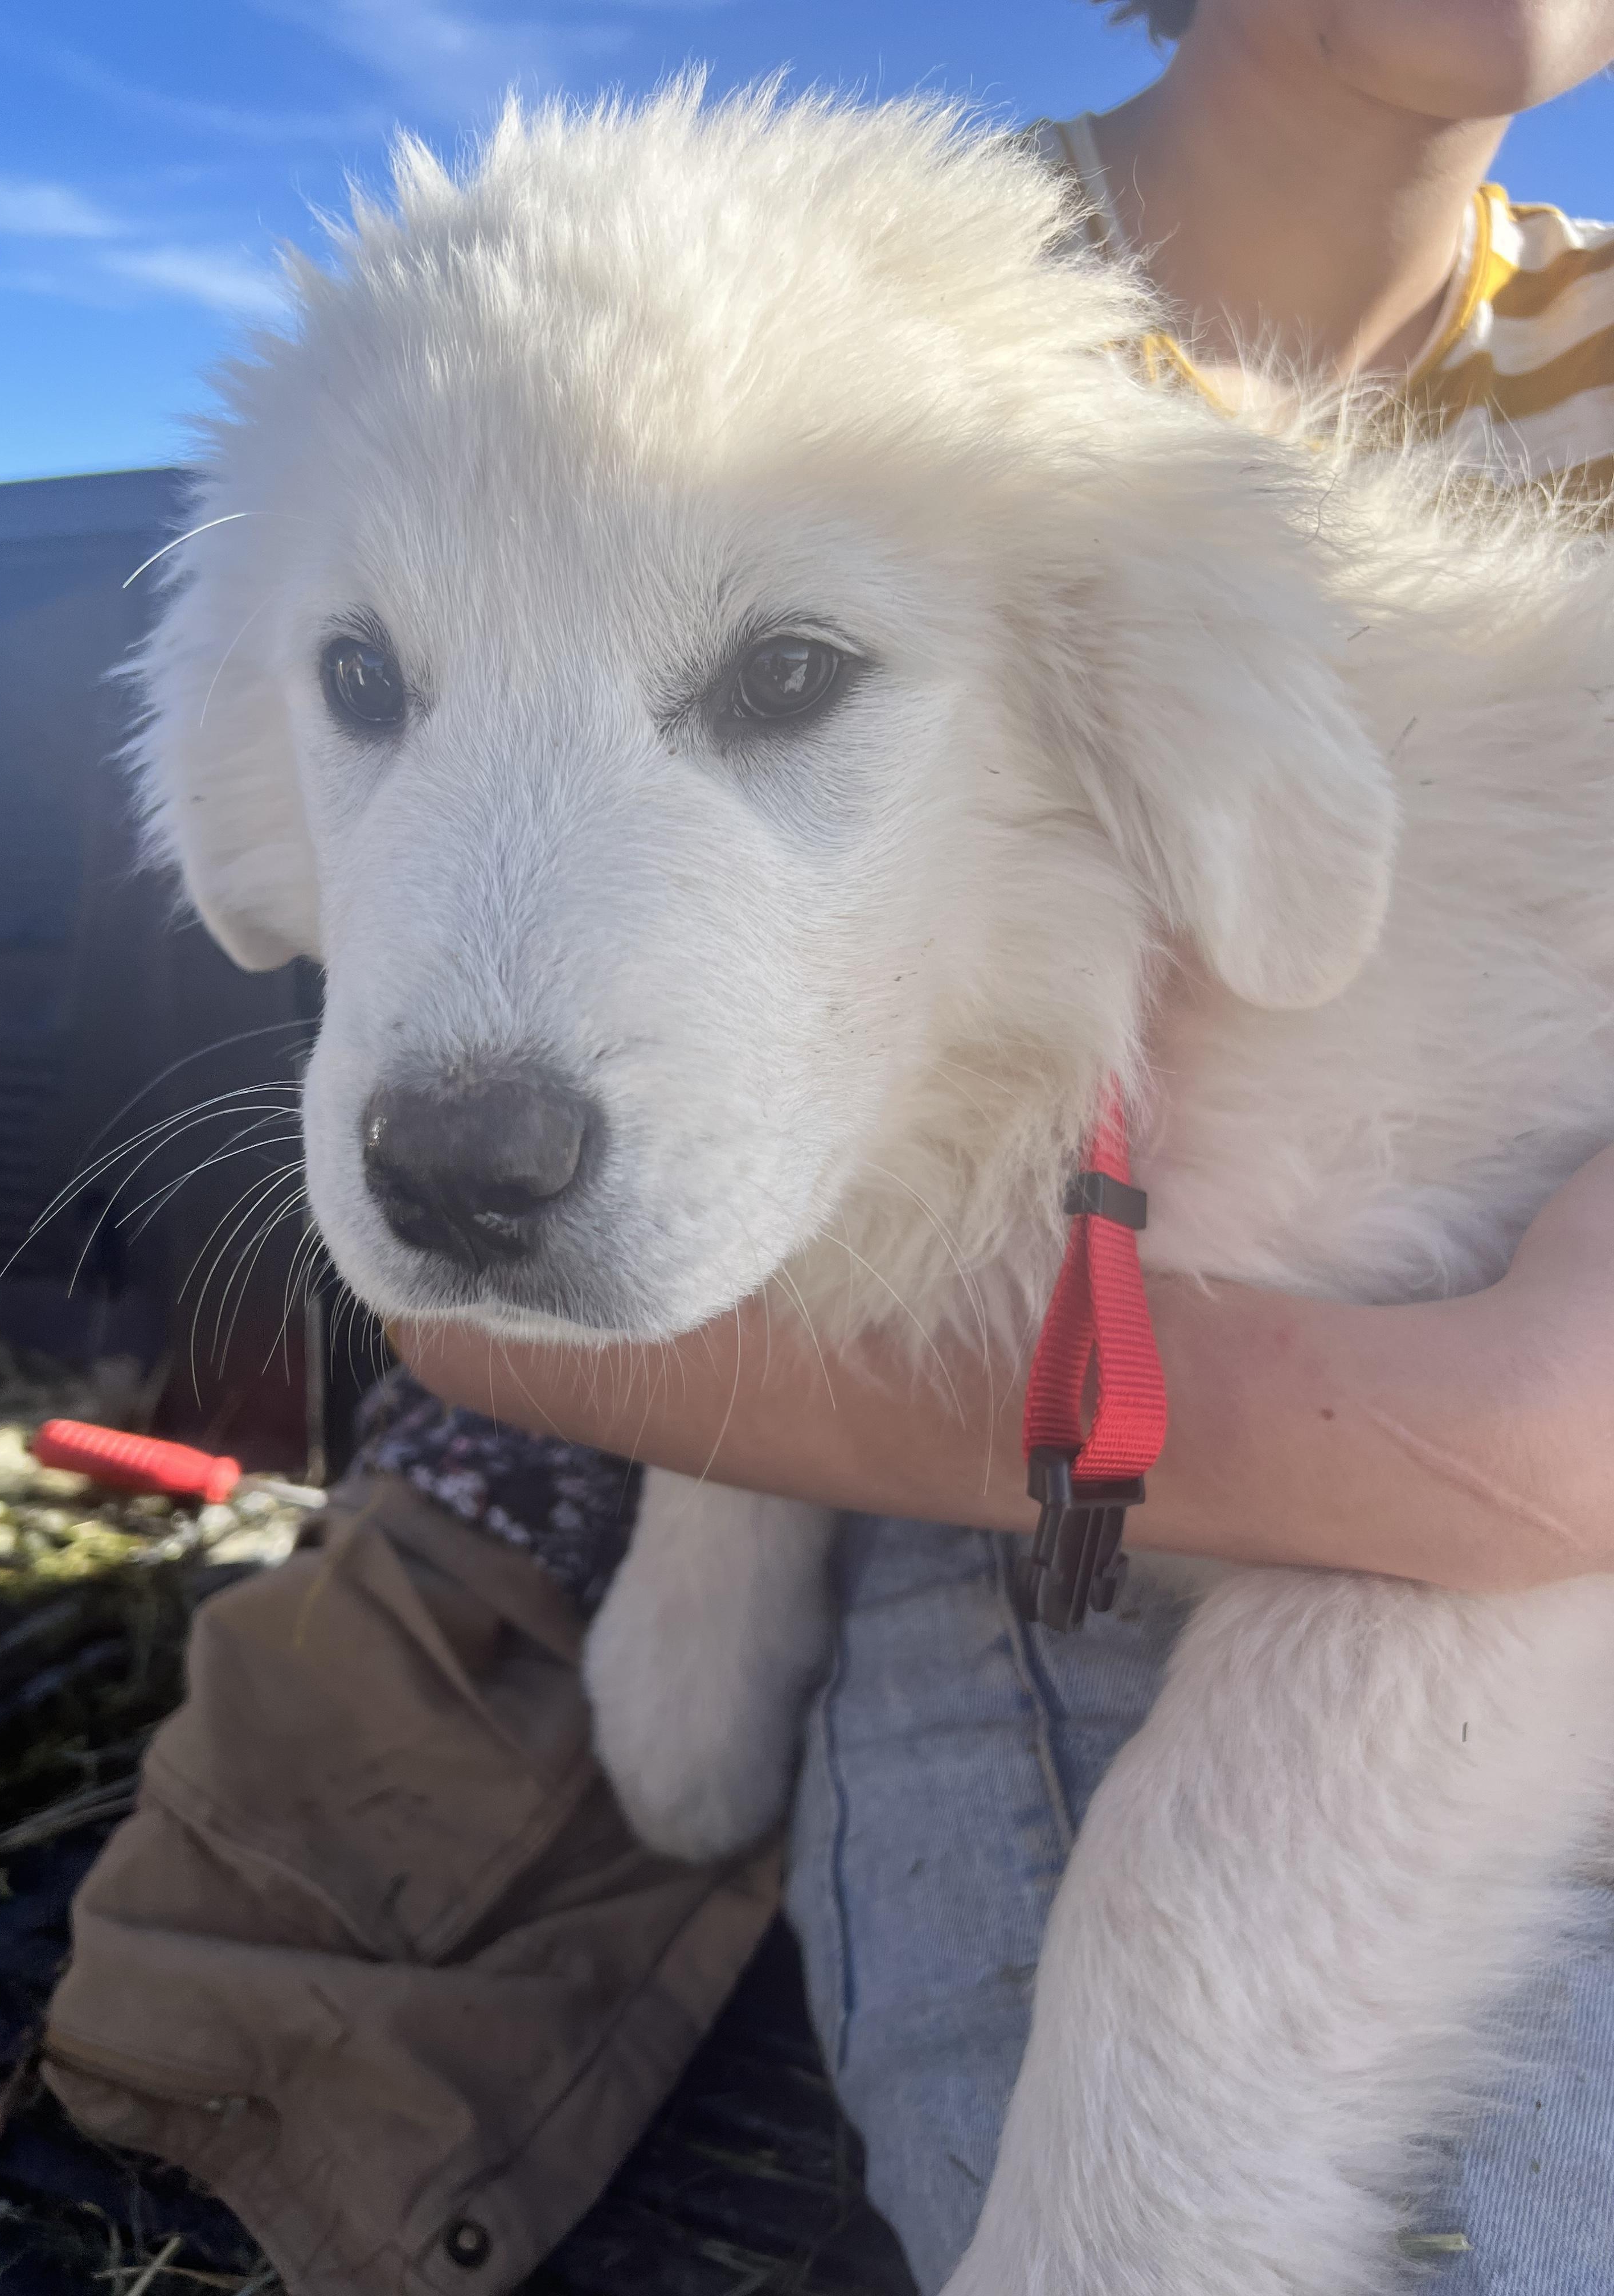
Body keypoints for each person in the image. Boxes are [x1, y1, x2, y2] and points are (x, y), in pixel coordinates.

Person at [385, 4, 1614, 2289]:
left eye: (782, 673)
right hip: (1003, 1410)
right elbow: (480, 1198)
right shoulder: (780, 283)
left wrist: (1543, 1427)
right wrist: (1480, 1453)